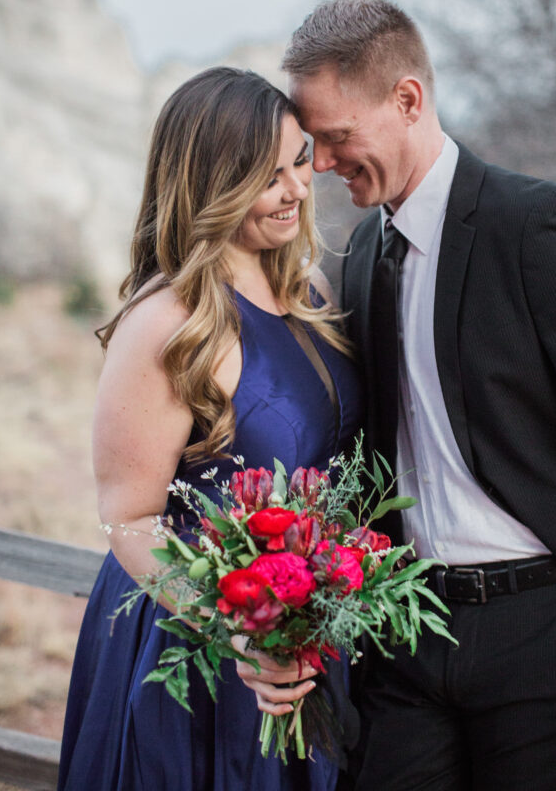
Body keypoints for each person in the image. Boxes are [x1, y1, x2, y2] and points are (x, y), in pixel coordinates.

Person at [282, 0, 556, 791]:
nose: (319, 162)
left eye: (335, 137)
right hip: (406, 641)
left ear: (408, 99)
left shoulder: (534, 227)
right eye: (310, 142)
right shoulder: (362, 254)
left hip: (549, 639)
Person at [57, 66, 363, 791]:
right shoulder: (169, 322)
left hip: (302, 638)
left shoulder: (307, 290)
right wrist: (242, 635)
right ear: (210, 183)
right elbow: (128, 517)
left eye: (297, 161)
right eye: (265, 177)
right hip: (194, 653)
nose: (295, 189)